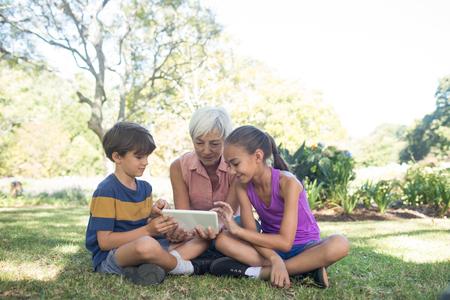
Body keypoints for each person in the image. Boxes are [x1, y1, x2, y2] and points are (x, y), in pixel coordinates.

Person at [210, 125, 350, 289]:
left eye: (235, 163)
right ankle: (304, 270)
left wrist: (237, 230)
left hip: (305, 248)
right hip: (269, 249)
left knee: (340, 243)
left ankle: (259, 273)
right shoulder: (242, 185)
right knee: (222, 240)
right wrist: (274, 258)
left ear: (257, 156)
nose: (232, 171)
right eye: (228, 165)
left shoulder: (288, 183)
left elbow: (285, 243)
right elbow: (252, 235)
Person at [85, 122, 215, 287]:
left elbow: (141, 223)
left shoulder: (145, 188)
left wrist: (156, 219)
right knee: (146, 244)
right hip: (111, 256)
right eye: (139, 157)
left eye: (147, 156)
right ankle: (186, 267)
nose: (145, 162)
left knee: (201, 239)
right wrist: (148, 229)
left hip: (145, 244)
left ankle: (155, 265)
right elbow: (104, 242)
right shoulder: (106, 191)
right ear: (117, 157)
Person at [168, 106, 244, 246]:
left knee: (224, 240)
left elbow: (227, 216)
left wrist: (211, 233)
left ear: (226, 141)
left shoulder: (236, 167)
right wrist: (182, 232)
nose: (206, 151)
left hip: (228, 231)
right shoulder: (178, 167)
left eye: (214, 144)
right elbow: (184, 217)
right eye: (199, 143)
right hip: (194, 234)